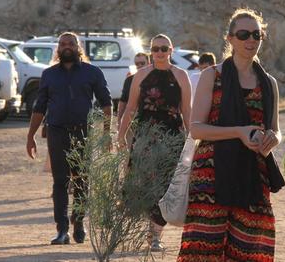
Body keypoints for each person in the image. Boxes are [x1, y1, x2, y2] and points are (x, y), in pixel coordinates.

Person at [178, 9, 285, 262]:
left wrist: (273, 138)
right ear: (230, 39)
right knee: (203, 249)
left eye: (256, 35)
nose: (251, 40)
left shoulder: (269, 82)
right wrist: (238, 132)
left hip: (253, 172)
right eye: (243, 34)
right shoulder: (212, 76)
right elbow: (196, 129)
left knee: (252, 246)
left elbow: (275, 129)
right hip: (211, 172)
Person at [26, 32, 112, 245]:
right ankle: (62, 230)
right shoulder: (48, 74)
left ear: (78, 47)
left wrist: (106, 133)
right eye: (63, 44)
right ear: (58, 48)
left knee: (82, 180)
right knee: (60, 182)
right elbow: (39, 107)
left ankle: (79, 222)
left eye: (71, 44)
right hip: (56, 132)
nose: (66, 47)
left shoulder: (92, 72)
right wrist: (31, 136)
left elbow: (106, 102)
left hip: (83, 131)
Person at [117, 34, 192, 252]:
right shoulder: (140, 76)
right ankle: (142, 231)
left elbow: (186, 110)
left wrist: (192, 139)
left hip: (172, 137)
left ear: (171, 50)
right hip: (145, 137)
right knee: (144, 185)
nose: (159, 52)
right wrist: (121, 135)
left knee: (168, 186)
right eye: (156, 49)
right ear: (151, 51)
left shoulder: (181, 75)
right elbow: (130, 108)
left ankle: (155, 235)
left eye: (164, 48)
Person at [117, 52, 150, 126]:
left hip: (151, 121)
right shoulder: (129, 80)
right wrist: (119, 121)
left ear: (149, 63)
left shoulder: (155, 79)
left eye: (142, 63)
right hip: (133, 122)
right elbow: (123, 102)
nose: (140, 65)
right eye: (137, 64)